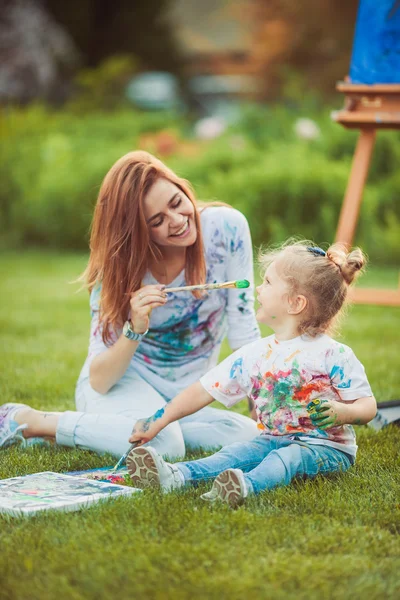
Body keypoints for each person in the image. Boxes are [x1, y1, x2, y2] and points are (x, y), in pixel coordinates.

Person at [0, 152, 260, 460]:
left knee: (251, 437)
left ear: (183, 188)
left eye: (177, 203)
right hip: (119, 389)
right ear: (139, 231)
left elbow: (243, 324)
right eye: (157, 221)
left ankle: (101, 433)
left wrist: (261, 396)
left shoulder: (227, 229)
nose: (177, 221)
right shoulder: (118, 269)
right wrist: (135, 328)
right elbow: (100, 379)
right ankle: (30, 421)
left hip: (183, 401)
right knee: (166, 445)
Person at [125, 240, 377, 507]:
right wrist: (157, 420)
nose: (258, 288)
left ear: (295, 303)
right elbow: (202, 391)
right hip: (271, 439)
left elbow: (368, 406)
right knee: (235, 452)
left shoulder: (333, 354)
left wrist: (343, 412)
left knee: (287, 459)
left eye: (267, 282)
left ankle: (244, 486)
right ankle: (176, 476)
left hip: (327, 449)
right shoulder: (254, 354)